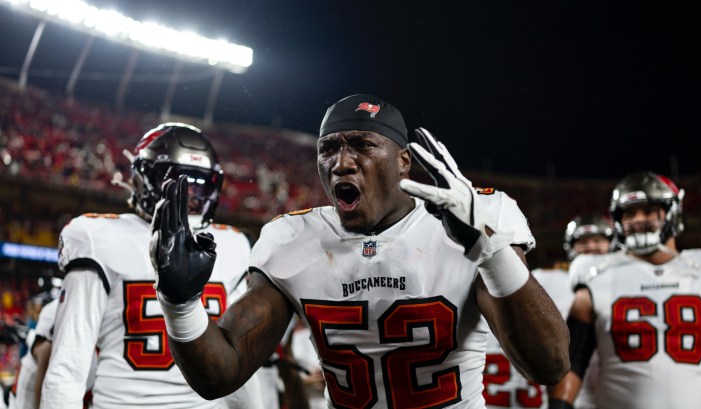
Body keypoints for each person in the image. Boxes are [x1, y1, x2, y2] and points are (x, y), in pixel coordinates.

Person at [149, 94, 570, 408]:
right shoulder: (292, 238)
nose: (341, 163)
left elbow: (549, 365)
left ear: (403, 161)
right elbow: (221, 375)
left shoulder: (474, 218)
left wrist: (490, 248)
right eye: (328, 149)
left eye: (362, 145)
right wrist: (180, 304)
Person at [40, 123, 264, 409]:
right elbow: (69, 365)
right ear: (142, 179)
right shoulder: (98, 238)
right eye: (179, 182)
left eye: (200, 184)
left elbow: (236, 366)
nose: (190, 196)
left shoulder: (231, 245)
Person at [548, 171, 701, 409]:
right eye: (630, 213)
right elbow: (573, 360)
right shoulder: (595, 273)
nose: (638, 219)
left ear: (672, 212)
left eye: (649, 210)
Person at [483, 214, 614, 409]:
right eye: (583, 242)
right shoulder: (562, 285)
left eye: (597, 240)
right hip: (572, 393)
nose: (590, 247)